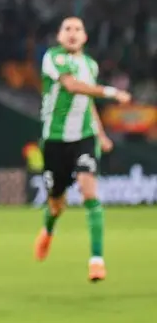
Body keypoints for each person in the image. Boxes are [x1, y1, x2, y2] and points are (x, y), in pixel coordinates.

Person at [33, 16, 131, 281]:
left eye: (78, 29)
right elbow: (72, 86)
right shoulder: (53, 58)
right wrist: (112, 93)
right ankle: (49, 229)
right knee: (56, 204)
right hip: (55, 140)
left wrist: (100, 134)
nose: (73, 33)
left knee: (89, 192)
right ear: (59, 36)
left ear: (85, 37)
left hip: (84, 137)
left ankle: (96, 260)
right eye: (67, 29)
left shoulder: (90, 65)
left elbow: (87, 101)